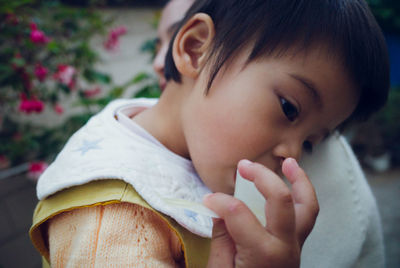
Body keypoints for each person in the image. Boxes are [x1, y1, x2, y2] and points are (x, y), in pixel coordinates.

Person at [30, 0, 389, 267]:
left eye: (312, 142)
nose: (293, 155)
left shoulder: (192, 135)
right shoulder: (111, 221)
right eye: (289, 108)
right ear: (196, 48)